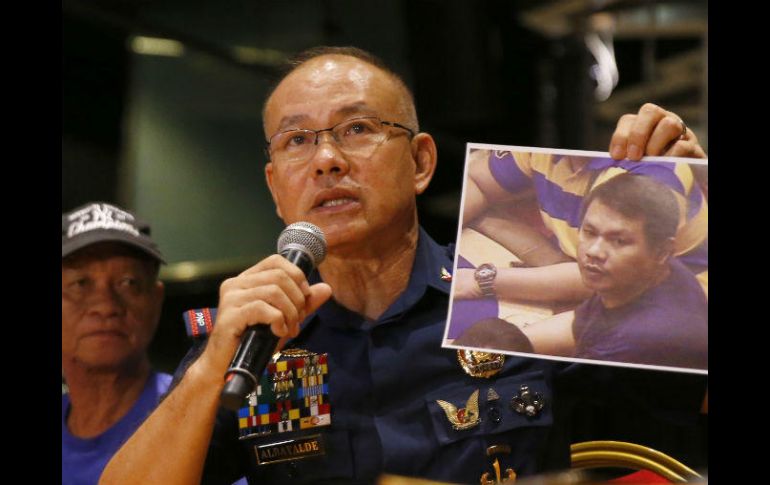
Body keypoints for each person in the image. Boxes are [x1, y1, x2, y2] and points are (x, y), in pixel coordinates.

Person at [100, 46, 707, 485]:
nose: (327, 159)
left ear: (420, 162)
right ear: (275, 188)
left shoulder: (523, 309)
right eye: (296, 141)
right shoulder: (254, 342)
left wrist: (701, 227)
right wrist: (210, 371)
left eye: (357, 128)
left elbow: (688, 406)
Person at [455, 173, 708, 371]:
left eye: (618, 241)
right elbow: (582, 324)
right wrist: (499, 344)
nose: (594, 251)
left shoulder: (631, 342)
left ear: (662, 251)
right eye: (589, 232)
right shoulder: (652, 274)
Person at [452, 135, 708, 306]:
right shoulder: (545, 145)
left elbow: (606, 280)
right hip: (589, 273)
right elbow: (476, 182)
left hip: (679, 304)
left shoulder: (649, 174)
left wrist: (483, 280)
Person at [62, 201, 172, 485]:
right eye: (80, 283)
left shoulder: (196, 415)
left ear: (156, 301)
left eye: (129, 282)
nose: (106, 305)